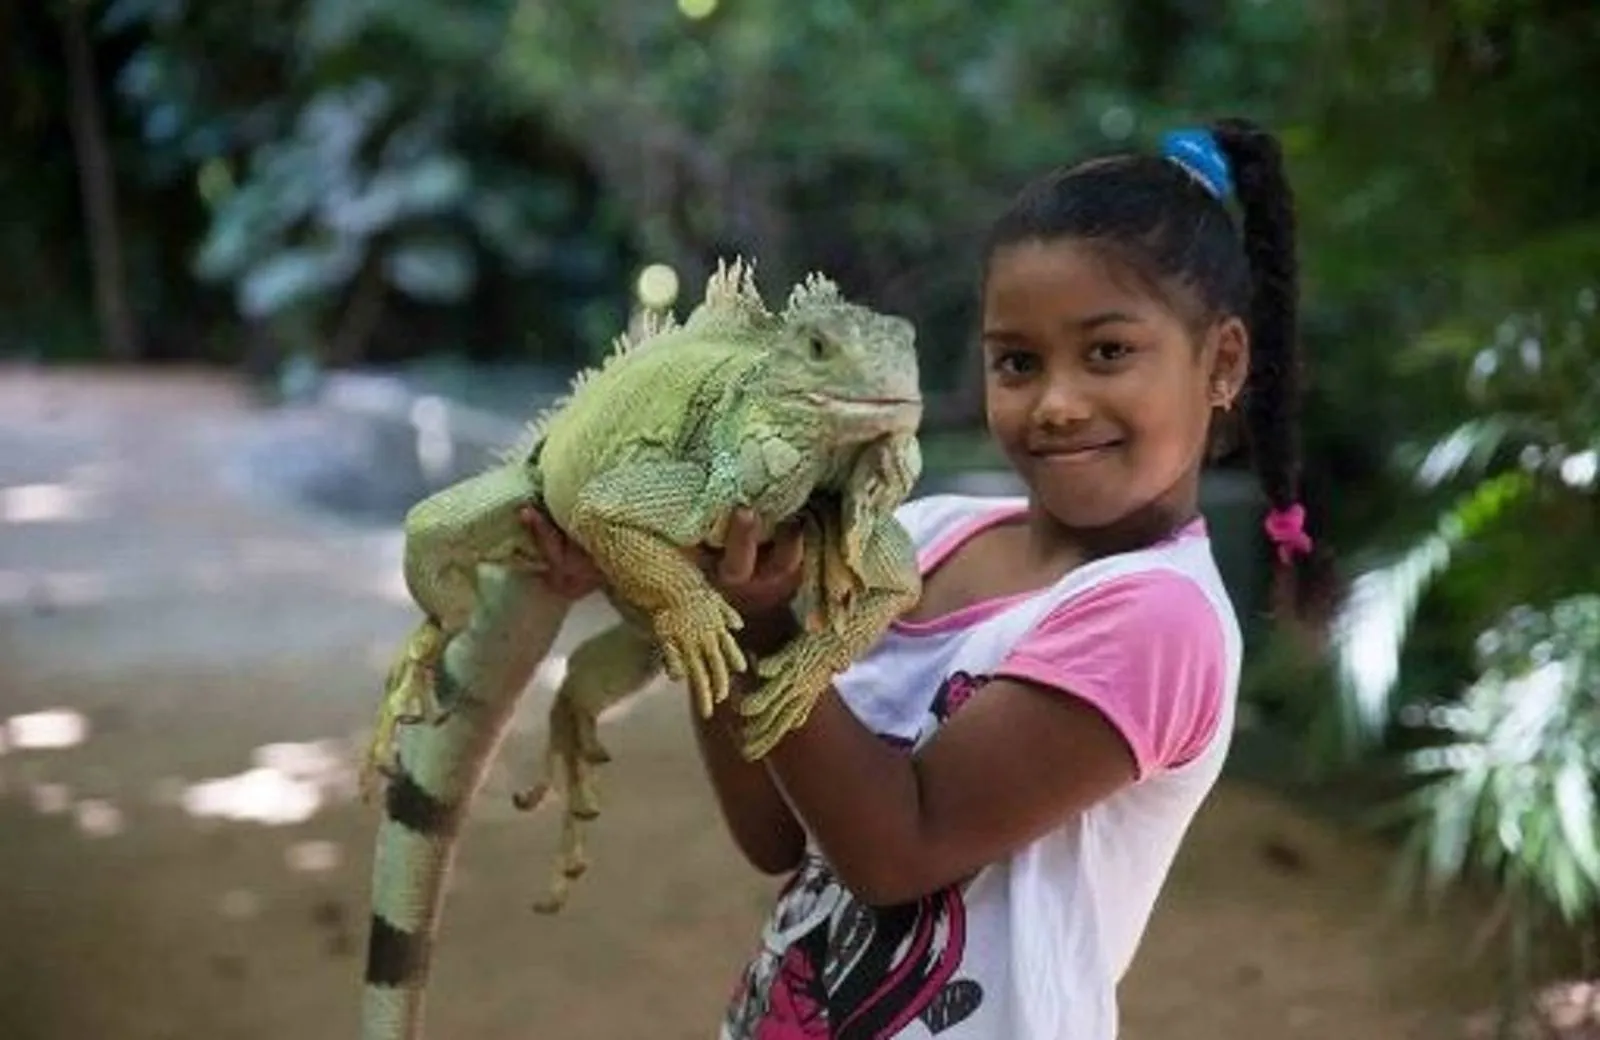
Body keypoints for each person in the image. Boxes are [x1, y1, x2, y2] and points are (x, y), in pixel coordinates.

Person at [520, 116, 1323, 1039]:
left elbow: (899, 848)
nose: (1057, 404)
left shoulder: (1154, 620)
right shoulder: (921, 534)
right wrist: (691, 590)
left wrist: (769, 624)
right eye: (1017, 362)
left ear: (1221, 362)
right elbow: (777, 835)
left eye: (1107, 352)